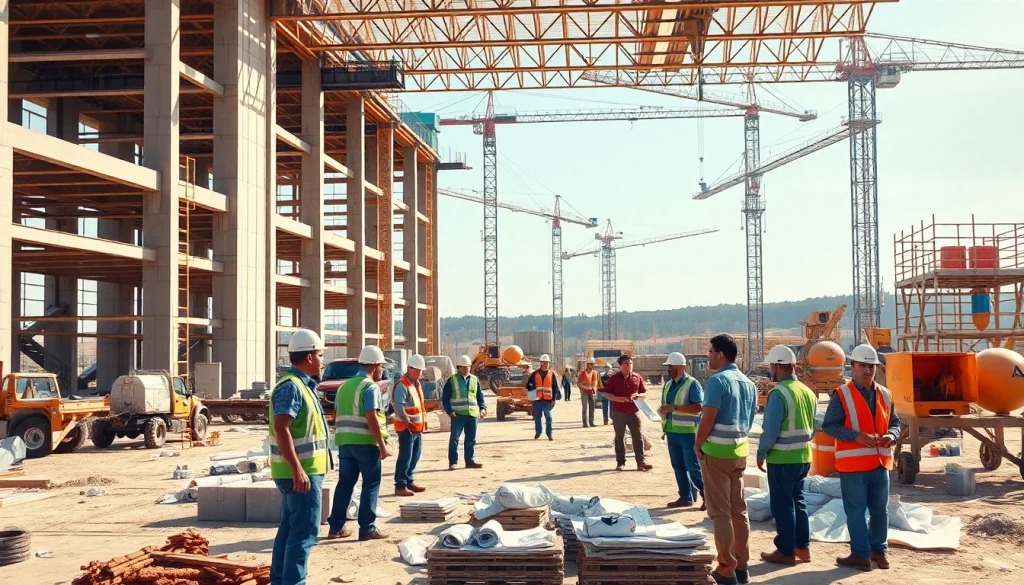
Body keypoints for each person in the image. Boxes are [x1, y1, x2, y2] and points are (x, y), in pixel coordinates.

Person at [822, 343, 900, 572]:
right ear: (853, 366)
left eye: (872, 366)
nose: (868, 370)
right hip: (854, 465)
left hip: (880, 463)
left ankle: (878, 551)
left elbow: (895, 422)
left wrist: (891, 435)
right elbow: (829, 426)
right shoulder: (842, 395)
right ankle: (861, 554)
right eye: (863, 365)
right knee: (856, 511)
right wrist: (856, 436)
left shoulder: (885, 394)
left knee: (879, 511)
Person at [269, 329, 332, 585]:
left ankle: (280, 581)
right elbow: (281, 427)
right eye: (319, 355)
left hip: (295, 473)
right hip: (299, 475)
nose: (322, 360)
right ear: (308, 357)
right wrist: (298, 470)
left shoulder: (302, 386)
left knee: (288, 531)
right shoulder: (292, 388)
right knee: (303, 534)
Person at [694, 334, 756, 585]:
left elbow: (707, 419)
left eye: (710, 351)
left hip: (717, 453)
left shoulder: (717, 381)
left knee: (720, 514)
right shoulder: (747, 382)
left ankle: (726, 568)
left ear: (720, 354)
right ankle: (742, 566)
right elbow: (750, 420)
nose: (708, 355)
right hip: (739, 452)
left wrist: (698, 444)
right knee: (738, 511)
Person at [756, 346, 817, 566]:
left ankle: (785, 551)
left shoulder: (779, 393)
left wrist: (761, 453)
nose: (770, 370)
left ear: (778, 366)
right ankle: (802, 548)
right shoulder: (807, 392)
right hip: (804, 458)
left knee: (782, 506)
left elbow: (771, 430)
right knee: (798, 502)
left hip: (782, 459)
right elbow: (814, 426)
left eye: (771, 366)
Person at [327, 345, 390, 541]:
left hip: (344, 442)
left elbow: (335, 415)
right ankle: (367, 528)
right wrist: (381, 444)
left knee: (345, 484)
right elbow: (371, 415)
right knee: (371, 484)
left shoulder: (344, 387)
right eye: (381, 367)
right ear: (375, 366)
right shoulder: (370, 387)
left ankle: (336, 527)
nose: (382, 371)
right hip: (365, 443)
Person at [658, 352, 705, 509]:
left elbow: (699, 407)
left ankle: (708, 497)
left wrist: (675, 408)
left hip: (688, 433)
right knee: (678, 466)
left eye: (670, 366)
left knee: (692, 466)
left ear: (679, 367)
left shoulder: (692, 384)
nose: (668, 369)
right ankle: (685, 497)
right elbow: (667, 404)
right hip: (672, 431)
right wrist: (664, 411)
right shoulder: (668, 385)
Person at [601, 354, 653, 472]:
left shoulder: (637, 377)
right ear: (620, 366)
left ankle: (641, 462)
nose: (628, 366)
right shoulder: (614, 378)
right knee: (619, 437)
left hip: (634, 412)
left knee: (638, 437)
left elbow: (645, 393)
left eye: (630, 363)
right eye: (625, 364)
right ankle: (620, 462)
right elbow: (606, 393)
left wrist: (639, 396)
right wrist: (617, 399)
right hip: (619, 412)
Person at [392, 354, 428, 497]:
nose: (419, 373)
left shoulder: (416, 384)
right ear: (409, 368)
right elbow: (398, 406)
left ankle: (408, 480)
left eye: (421, 371)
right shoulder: (402, 385)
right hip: (406, 428)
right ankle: (400, 484)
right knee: (405, 457)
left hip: (416, 428)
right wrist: (407, 422)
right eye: (417, 370)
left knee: (415, 455)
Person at [443, 355, 486, 470]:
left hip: (472, 415)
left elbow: (479, 396)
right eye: (464, 367)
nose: (466, 369)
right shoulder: (452, 380)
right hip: (457, 415)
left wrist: (483, 408)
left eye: (468, 367)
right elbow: (445, 398)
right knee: (454, 439)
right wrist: (449, 411)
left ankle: (470, 461)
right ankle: (453, 462)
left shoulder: (474, 380)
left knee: (471, 439)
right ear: (459, 368)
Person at [526, 355, 558, 440]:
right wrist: (532, 390)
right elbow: (528, 385)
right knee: (537, 417)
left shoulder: (552, 374)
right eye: (544, 362)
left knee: (549, 417)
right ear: (541, 363)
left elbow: (555, 388)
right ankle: (538, 432)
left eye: (547, 363)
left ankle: (549, 433)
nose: (546, 364)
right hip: (537, 400)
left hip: (548, 400)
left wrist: (554, 400)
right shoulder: (535, 374)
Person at [578, 358, 599, 427]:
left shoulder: (595, 373)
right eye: (591, 364)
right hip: (584, 392)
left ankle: (591, 422)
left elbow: (595, 382)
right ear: (587, 364)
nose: (592, 366)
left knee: (592, 407)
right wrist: (586, 388)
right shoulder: (582, 373)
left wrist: (593, 390)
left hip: (592, 392)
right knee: (585, 407)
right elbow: (579, 384)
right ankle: (585, 423)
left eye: (593, 364)